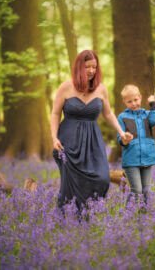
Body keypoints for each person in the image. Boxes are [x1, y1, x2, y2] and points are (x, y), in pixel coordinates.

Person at [51, 49, 127, 211]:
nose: (92, 70)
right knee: (71, 183)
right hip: (68, 141)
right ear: (79, 67)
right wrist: (54, 138)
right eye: (87, 67)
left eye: (94, 67)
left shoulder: (101, 89)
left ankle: (87, 212)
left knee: (102, 178)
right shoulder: (66, 87)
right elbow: (55, 113)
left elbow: (108, 113)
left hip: (93, 141)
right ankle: (70, 218)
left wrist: (121, 132)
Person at [117, 84, 155, 205]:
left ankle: (143, 218)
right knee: (137, 190)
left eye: (136, 100)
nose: (133, 104)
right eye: (129, 101)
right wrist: (124, 139)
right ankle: (127, 215)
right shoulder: (122, 117)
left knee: (146, 191)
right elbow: (119, 137)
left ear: (140, 97)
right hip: (131, 160)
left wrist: (153, 104)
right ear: (124, 102)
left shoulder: (147, 115)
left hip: (147, 158)